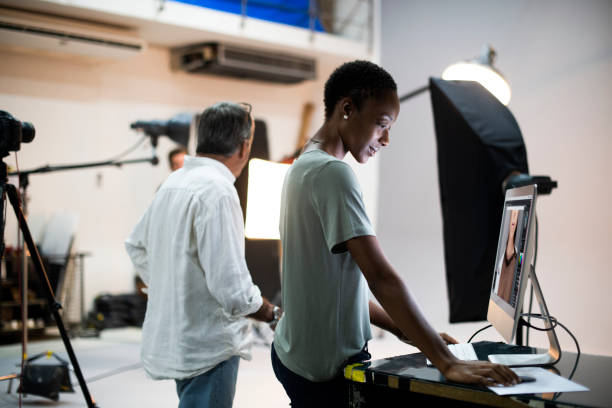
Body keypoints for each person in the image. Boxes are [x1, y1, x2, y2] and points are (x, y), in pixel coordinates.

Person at [271, 60, 519, 407]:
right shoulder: (332, 174)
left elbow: (334, 288)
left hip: (292, 356)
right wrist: (446, 361)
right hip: (323, 372)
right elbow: (380, 276)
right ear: (346, 108)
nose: (385, 139)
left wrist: (414, 334)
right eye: (381, 124)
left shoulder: (303, 165)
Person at [126, 102, 281, 408]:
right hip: (210, 347)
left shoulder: (175, 182)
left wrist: (173, 288)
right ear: (244, 145)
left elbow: (136, 245)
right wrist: (273, 315)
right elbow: (232, 290)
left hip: (182, 340)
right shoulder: (219, 192)